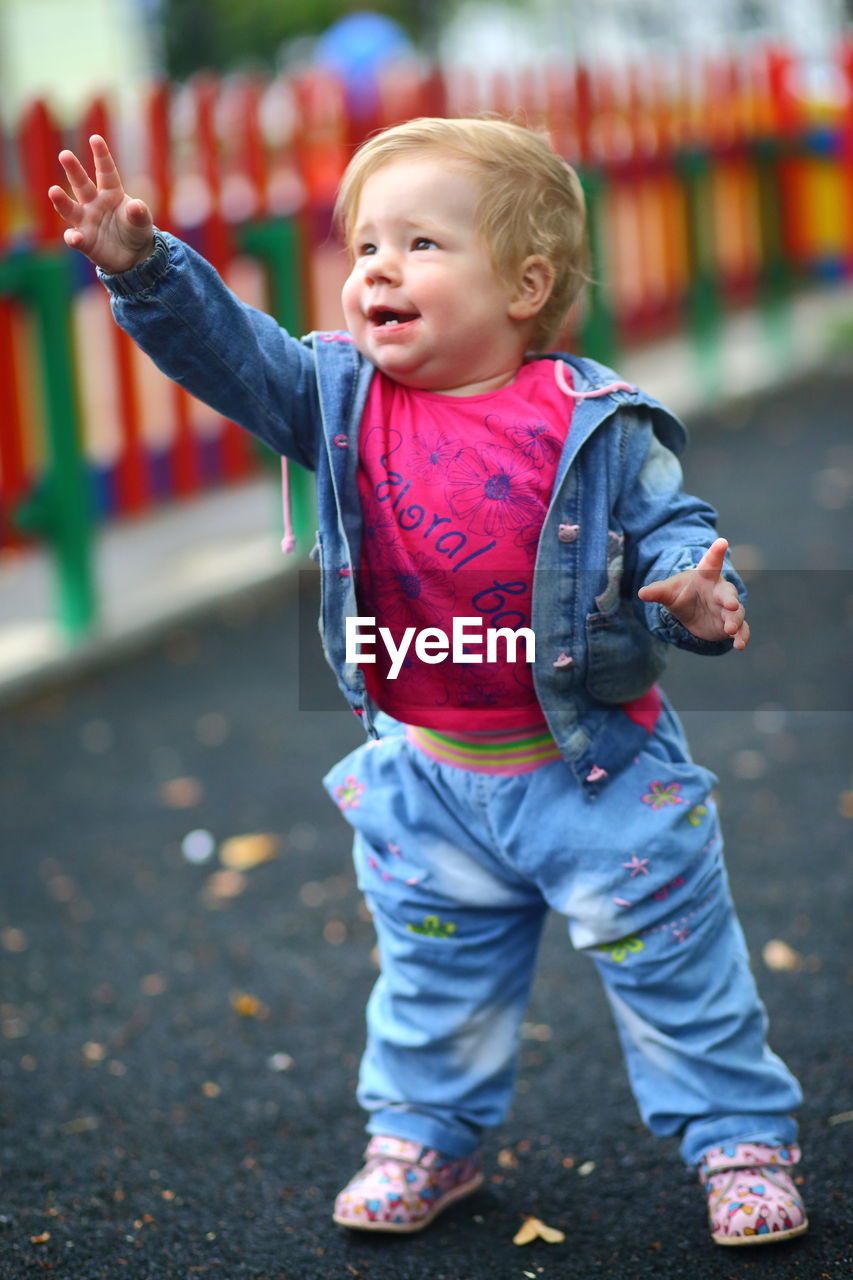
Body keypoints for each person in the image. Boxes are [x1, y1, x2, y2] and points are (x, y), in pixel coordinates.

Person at [49, 118, 807, 1247]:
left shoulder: (587, 420)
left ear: (524, 283)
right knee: (430, 987)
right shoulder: (338, 400)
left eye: (421, 244)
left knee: (679, 976)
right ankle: (428, 1135)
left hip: (595, 774)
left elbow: (671, 528)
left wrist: (697, 595)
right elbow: (233, 352)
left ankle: (737, 1136)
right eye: (363, 248)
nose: (378, 270)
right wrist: (147, 271)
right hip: (431, 779)